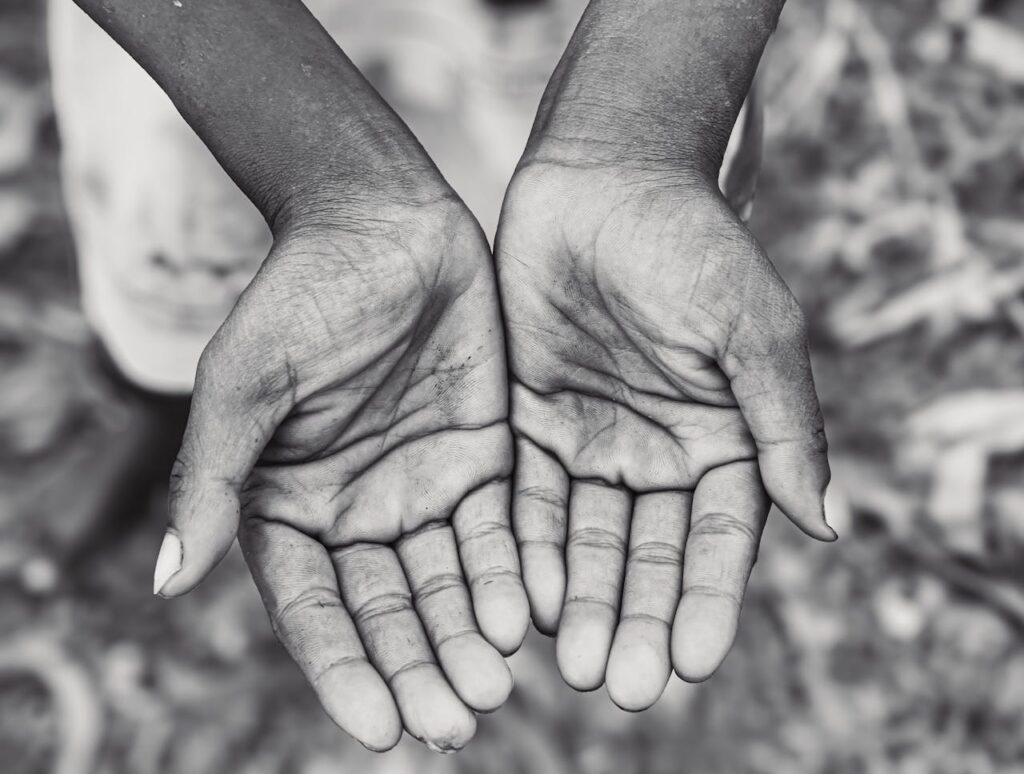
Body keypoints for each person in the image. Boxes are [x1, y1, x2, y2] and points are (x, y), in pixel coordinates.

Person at [54, 0, 834, 753]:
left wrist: (634, 128)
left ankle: (169, 401)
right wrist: (338, 185)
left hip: (620, 34)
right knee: (194, 275)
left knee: (534, 237)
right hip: (218, 46)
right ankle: (158, 404)